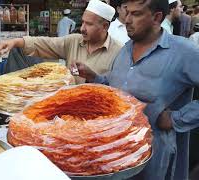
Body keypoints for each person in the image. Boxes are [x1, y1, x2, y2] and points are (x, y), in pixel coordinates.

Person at [73, 0, 199, 179]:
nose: (127, 20)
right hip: (116, 153)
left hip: (154, 159)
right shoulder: (125, 50)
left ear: (156, 18)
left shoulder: (183, 52)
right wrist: (94, 77)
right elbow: (117, 88)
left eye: (136, 14)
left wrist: (175, 118)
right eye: (127, 12)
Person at [0, 0, 122, 84]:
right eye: (83, 22)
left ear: (105, 26)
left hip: (98, 113)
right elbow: (45, 43)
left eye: (89, 24)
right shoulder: (74, 40)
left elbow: (117, 88)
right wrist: (15, 42)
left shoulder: (119, 52)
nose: (83, 28)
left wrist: (92, 76)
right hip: (67, 107)